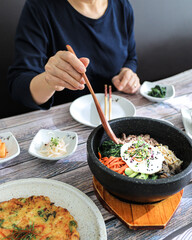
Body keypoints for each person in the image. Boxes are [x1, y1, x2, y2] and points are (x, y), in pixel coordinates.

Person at [8, 0, 140, 110]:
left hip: (115, 112)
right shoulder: (39, 7)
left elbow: (131, 58)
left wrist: (127, 72)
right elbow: (18, 87)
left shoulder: (122, 5)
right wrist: (49, 80)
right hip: (61, 126)